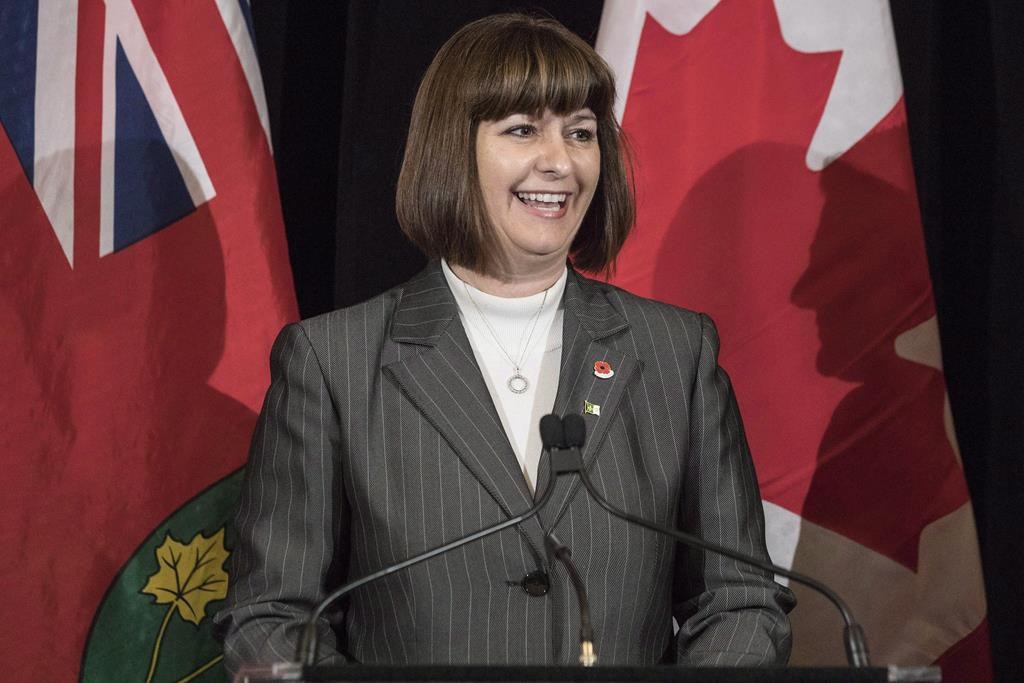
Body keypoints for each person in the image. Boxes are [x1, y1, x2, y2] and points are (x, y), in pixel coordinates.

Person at [215, 13, 794, 674]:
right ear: (451, 149)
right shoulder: (333, 361)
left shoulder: (674, 353)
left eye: (580, 132)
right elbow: (269, 617)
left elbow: (740, 603)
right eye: (522, 130)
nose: (561, 160)